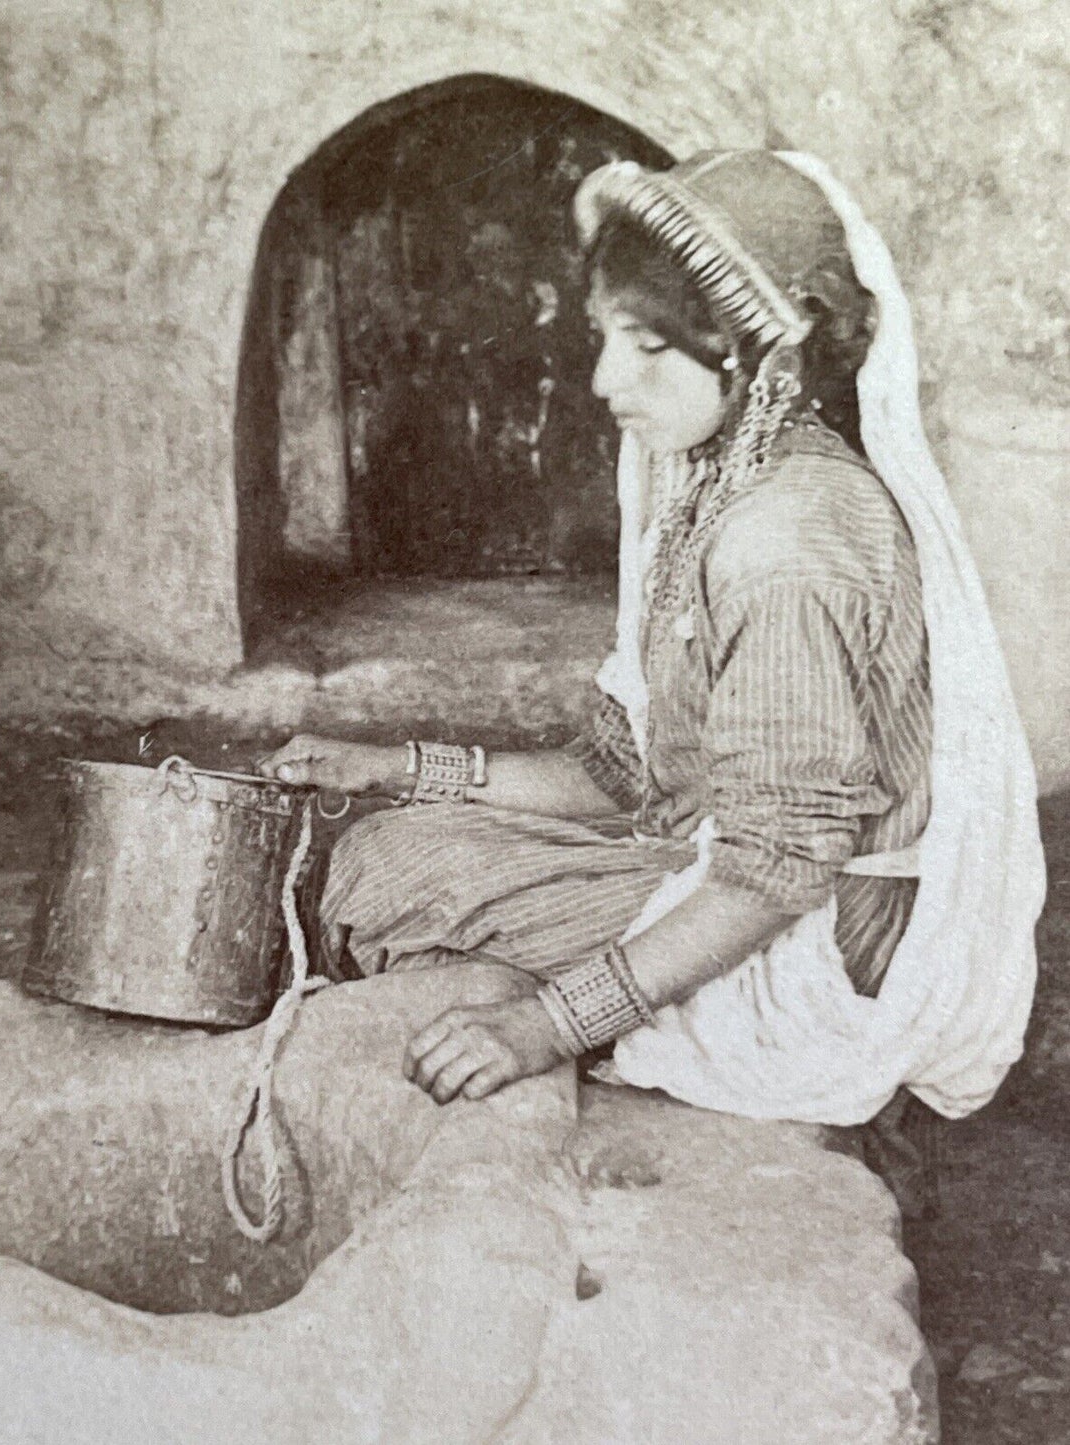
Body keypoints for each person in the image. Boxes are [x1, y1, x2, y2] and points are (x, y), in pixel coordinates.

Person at [257, 152, 1042, 1206]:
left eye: (647, 346)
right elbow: (618, 768)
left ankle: (766, 1095)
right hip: (731, 871)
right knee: (387, 848)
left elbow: (775, 872)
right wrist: (385, 762)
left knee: (383, 885)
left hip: (814, 945)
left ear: (768, 353)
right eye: (603, 338)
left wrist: (539, 1026)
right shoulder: (729, 486)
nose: (601, 383)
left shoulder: (788, 537)